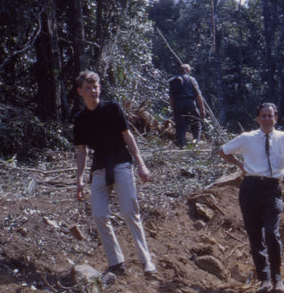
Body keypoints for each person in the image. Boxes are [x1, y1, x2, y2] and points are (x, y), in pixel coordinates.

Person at [219, 103, 284, 293]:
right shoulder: (247, 138)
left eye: (270, 116)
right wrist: (239, 164)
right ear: (257, 119)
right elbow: (223, 151)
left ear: (276, 118)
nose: (267, 119)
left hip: (272, 189)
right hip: (250, 188)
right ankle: (264, 280)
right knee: (255, 236)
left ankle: (277, 278)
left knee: (272, 233)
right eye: (263, 116)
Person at [73, 70, 157, 277]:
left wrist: (141, 164)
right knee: (99, 214)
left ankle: (146, 261)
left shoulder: (112, 108)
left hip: (121, 163)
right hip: (99, 168)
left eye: (95, 87)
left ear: (99, 88)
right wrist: (80, 179)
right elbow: (81, 150)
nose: (93, 91)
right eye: (88, 88)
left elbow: (127, 136)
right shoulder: (80, 119)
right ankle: (116, 262)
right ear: (80, 92)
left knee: (130, 212)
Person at [168, 63, 207, 148]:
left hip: (178, 105)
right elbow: (198, 95)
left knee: (180, 127)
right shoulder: (191, 79)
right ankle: (195, 144)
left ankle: (183, 147)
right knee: (196, 124)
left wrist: (173, 110)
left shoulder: (172, 80)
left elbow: (171, 98)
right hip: (190, 104)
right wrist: (202, 109)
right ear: (188, 71)